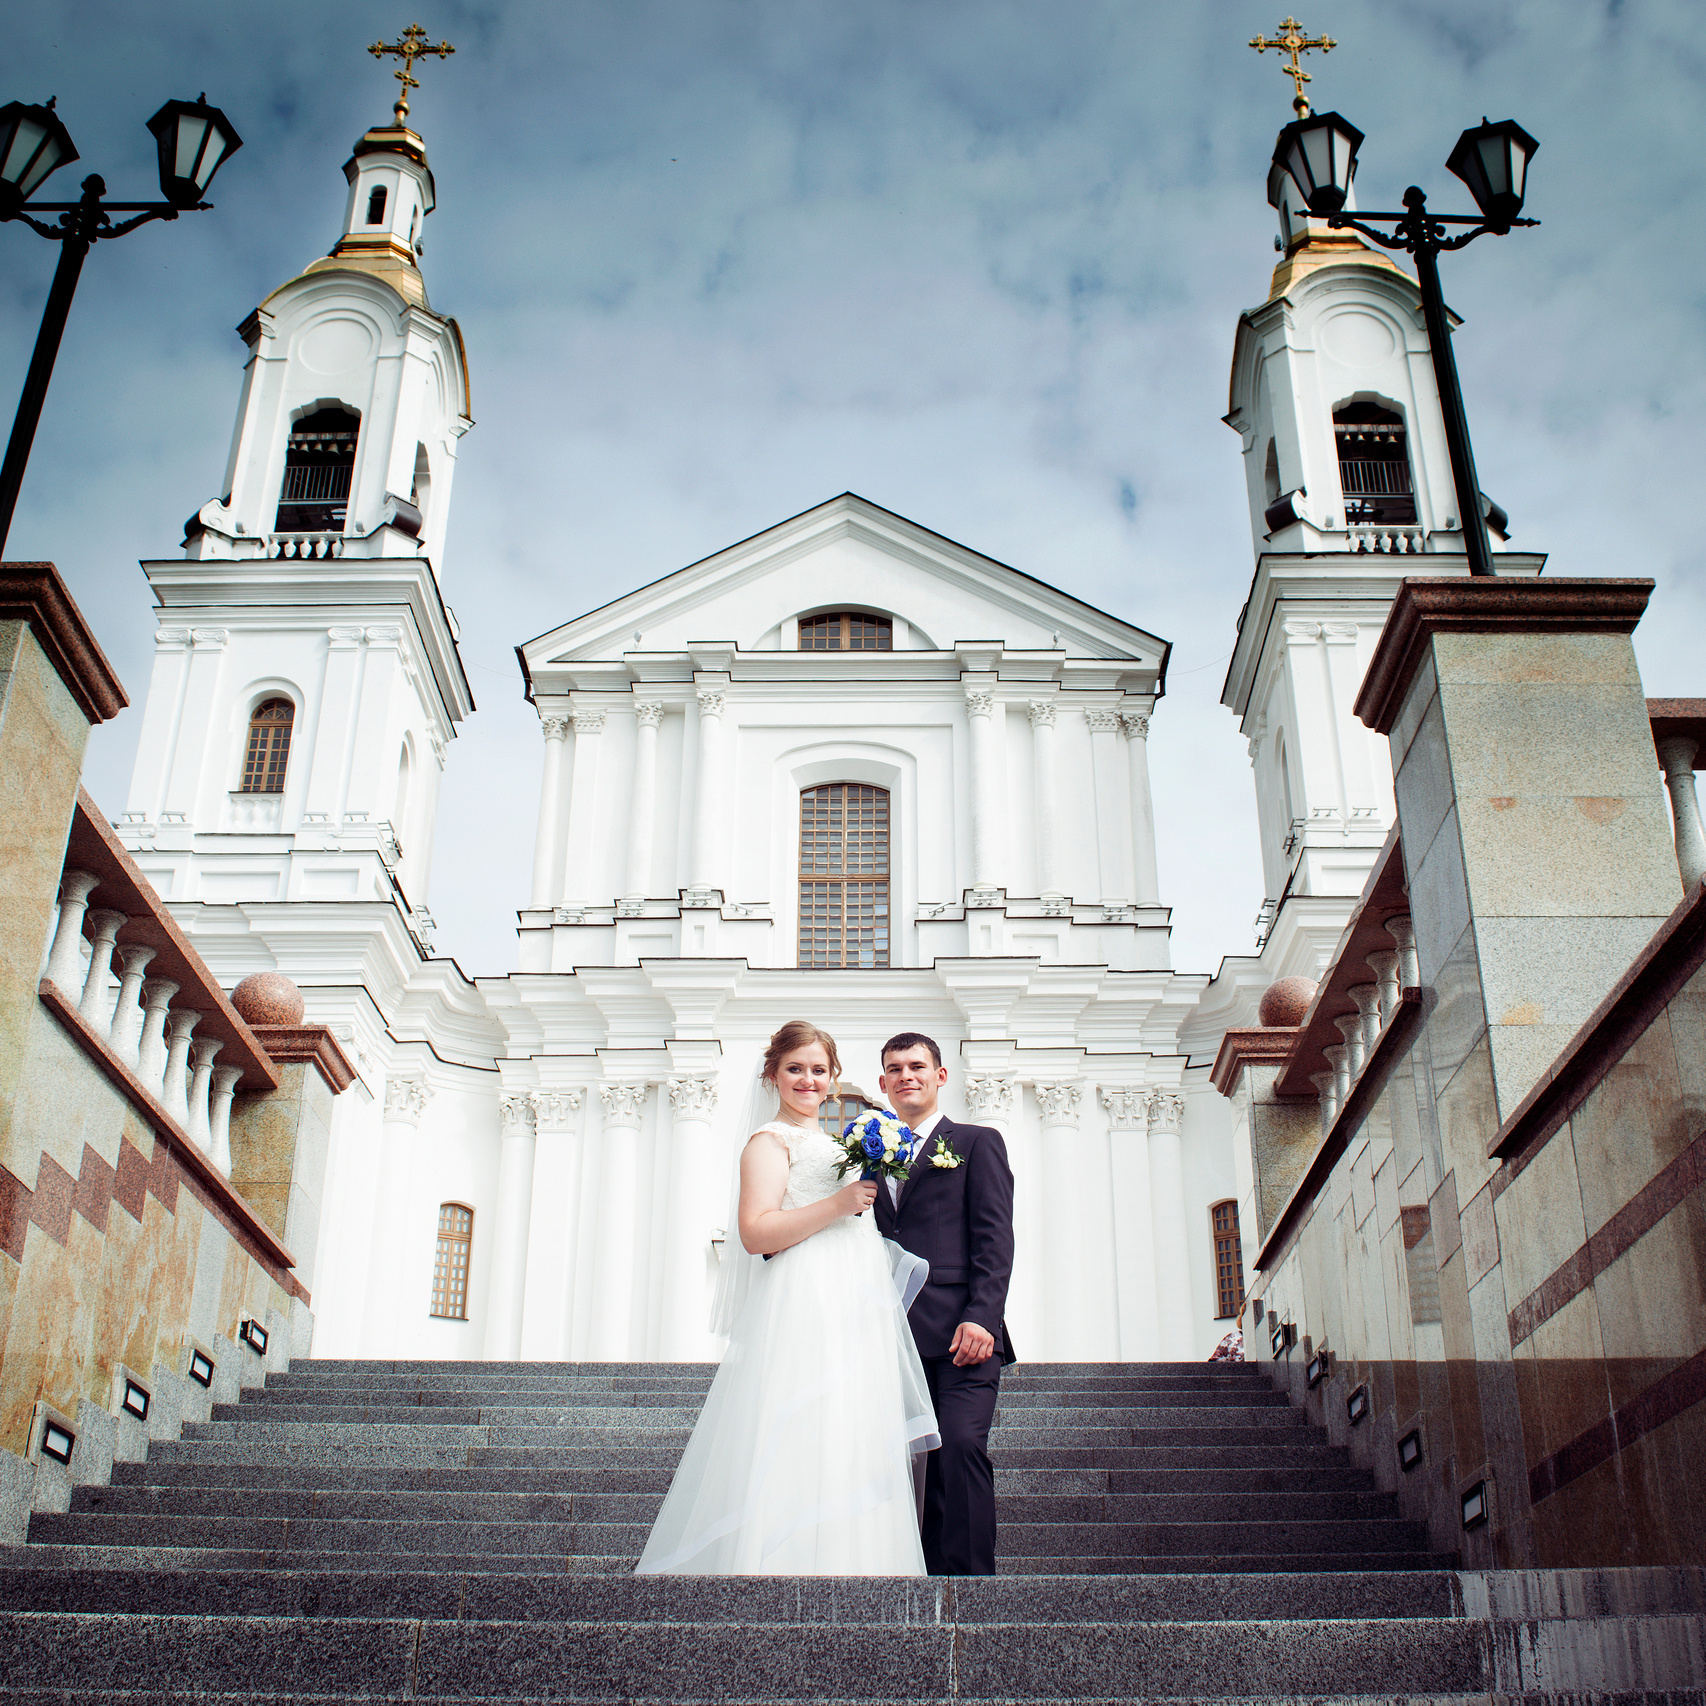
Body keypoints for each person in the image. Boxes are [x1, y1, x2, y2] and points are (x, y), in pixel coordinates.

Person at [635, 1020, 938, 1575]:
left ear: (833, 1079)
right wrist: (840, 1203)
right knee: (804, 1422)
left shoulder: (831, 1144)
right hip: (806, 1297)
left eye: (818, 1070)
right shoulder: (769, 1142)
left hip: (852, 1301)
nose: (807, 1079)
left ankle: (856, 1564)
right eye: (794, 1068)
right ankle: (782, 1562)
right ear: (772, 1074)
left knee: (852, 1428)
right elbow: (756, 1233)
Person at [873, 1031, 1016, 1577]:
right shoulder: (868, 1156)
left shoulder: (977, 1142)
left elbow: (994, 1237)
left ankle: (973, 1583)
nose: (905, 1075)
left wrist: (983, 1315)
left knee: (959, 1446)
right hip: (891, 1337)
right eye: (894, 1068)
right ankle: (928, 1577)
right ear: (883, 1082)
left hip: (963, 1333)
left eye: (917, 1065)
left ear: (940, 1076)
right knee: (916, 1460)